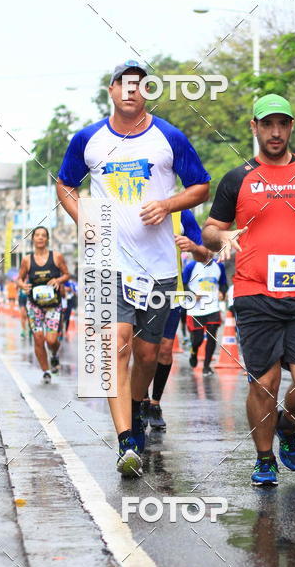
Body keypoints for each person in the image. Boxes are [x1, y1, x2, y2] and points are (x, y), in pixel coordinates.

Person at [56, 60, 210, 477]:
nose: (130, 91)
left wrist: (167, 204)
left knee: (147, 353)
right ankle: (126, 440)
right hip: (108, 264)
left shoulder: (169, 138)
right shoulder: (88, 139)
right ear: (110, 90)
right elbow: (65, 183)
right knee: (116, 348)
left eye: (139, 86)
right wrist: (83, 218)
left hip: (159, 265)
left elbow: (201, 185)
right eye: (123, 85)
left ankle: (139, 407)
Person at [202, 93, 295, 486]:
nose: (276, 132)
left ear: (292, 127)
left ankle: (288, 424)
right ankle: (264, 459)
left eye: (283, 124)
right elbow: (210, 230)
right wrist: (223, 235)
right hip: (254, 293)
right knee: (264, 382)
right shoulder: (238, 178)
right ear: (255, 127)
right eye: (268, 124)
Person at [142, 209, 210, 431]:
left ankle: (155, 403)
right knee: (142, 351)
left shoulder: (183, 215)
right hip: (139, 290)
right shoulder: (133, 208)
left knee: (164, 349)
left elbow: (204, 255)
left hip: (172, 292)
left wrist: (193, 247)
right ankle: (140, 401)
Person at [17, 227, 70, 383]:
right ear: (33, 239)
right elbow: (19, 279)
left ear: (47, 239)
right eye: (37, 235)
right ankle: (46, 371)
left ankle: (54, 354)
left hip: (53, 305)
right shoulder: (27, 260)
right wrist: (22, 286)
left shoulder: (57, 257)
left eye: (43, 236)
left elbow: (67, 274)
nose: (40, 238)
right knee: (38, 338)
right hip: (34, 306)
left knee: (51, 340)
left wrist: (58, 280)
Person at [185, 249, 228, 376]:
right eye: (206, 251)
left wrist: (222, 292)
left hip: (212, 307)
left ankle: (207, 366)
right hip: (195, 309)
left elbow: (223, 284)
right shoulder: (192, 266)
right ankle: (193, 351)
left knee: (212, 337)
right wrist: (192, 295)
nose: (209, 254)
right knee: (197, 339)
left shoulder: (219, 265)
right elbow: (183, 284)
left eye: (211, 251)